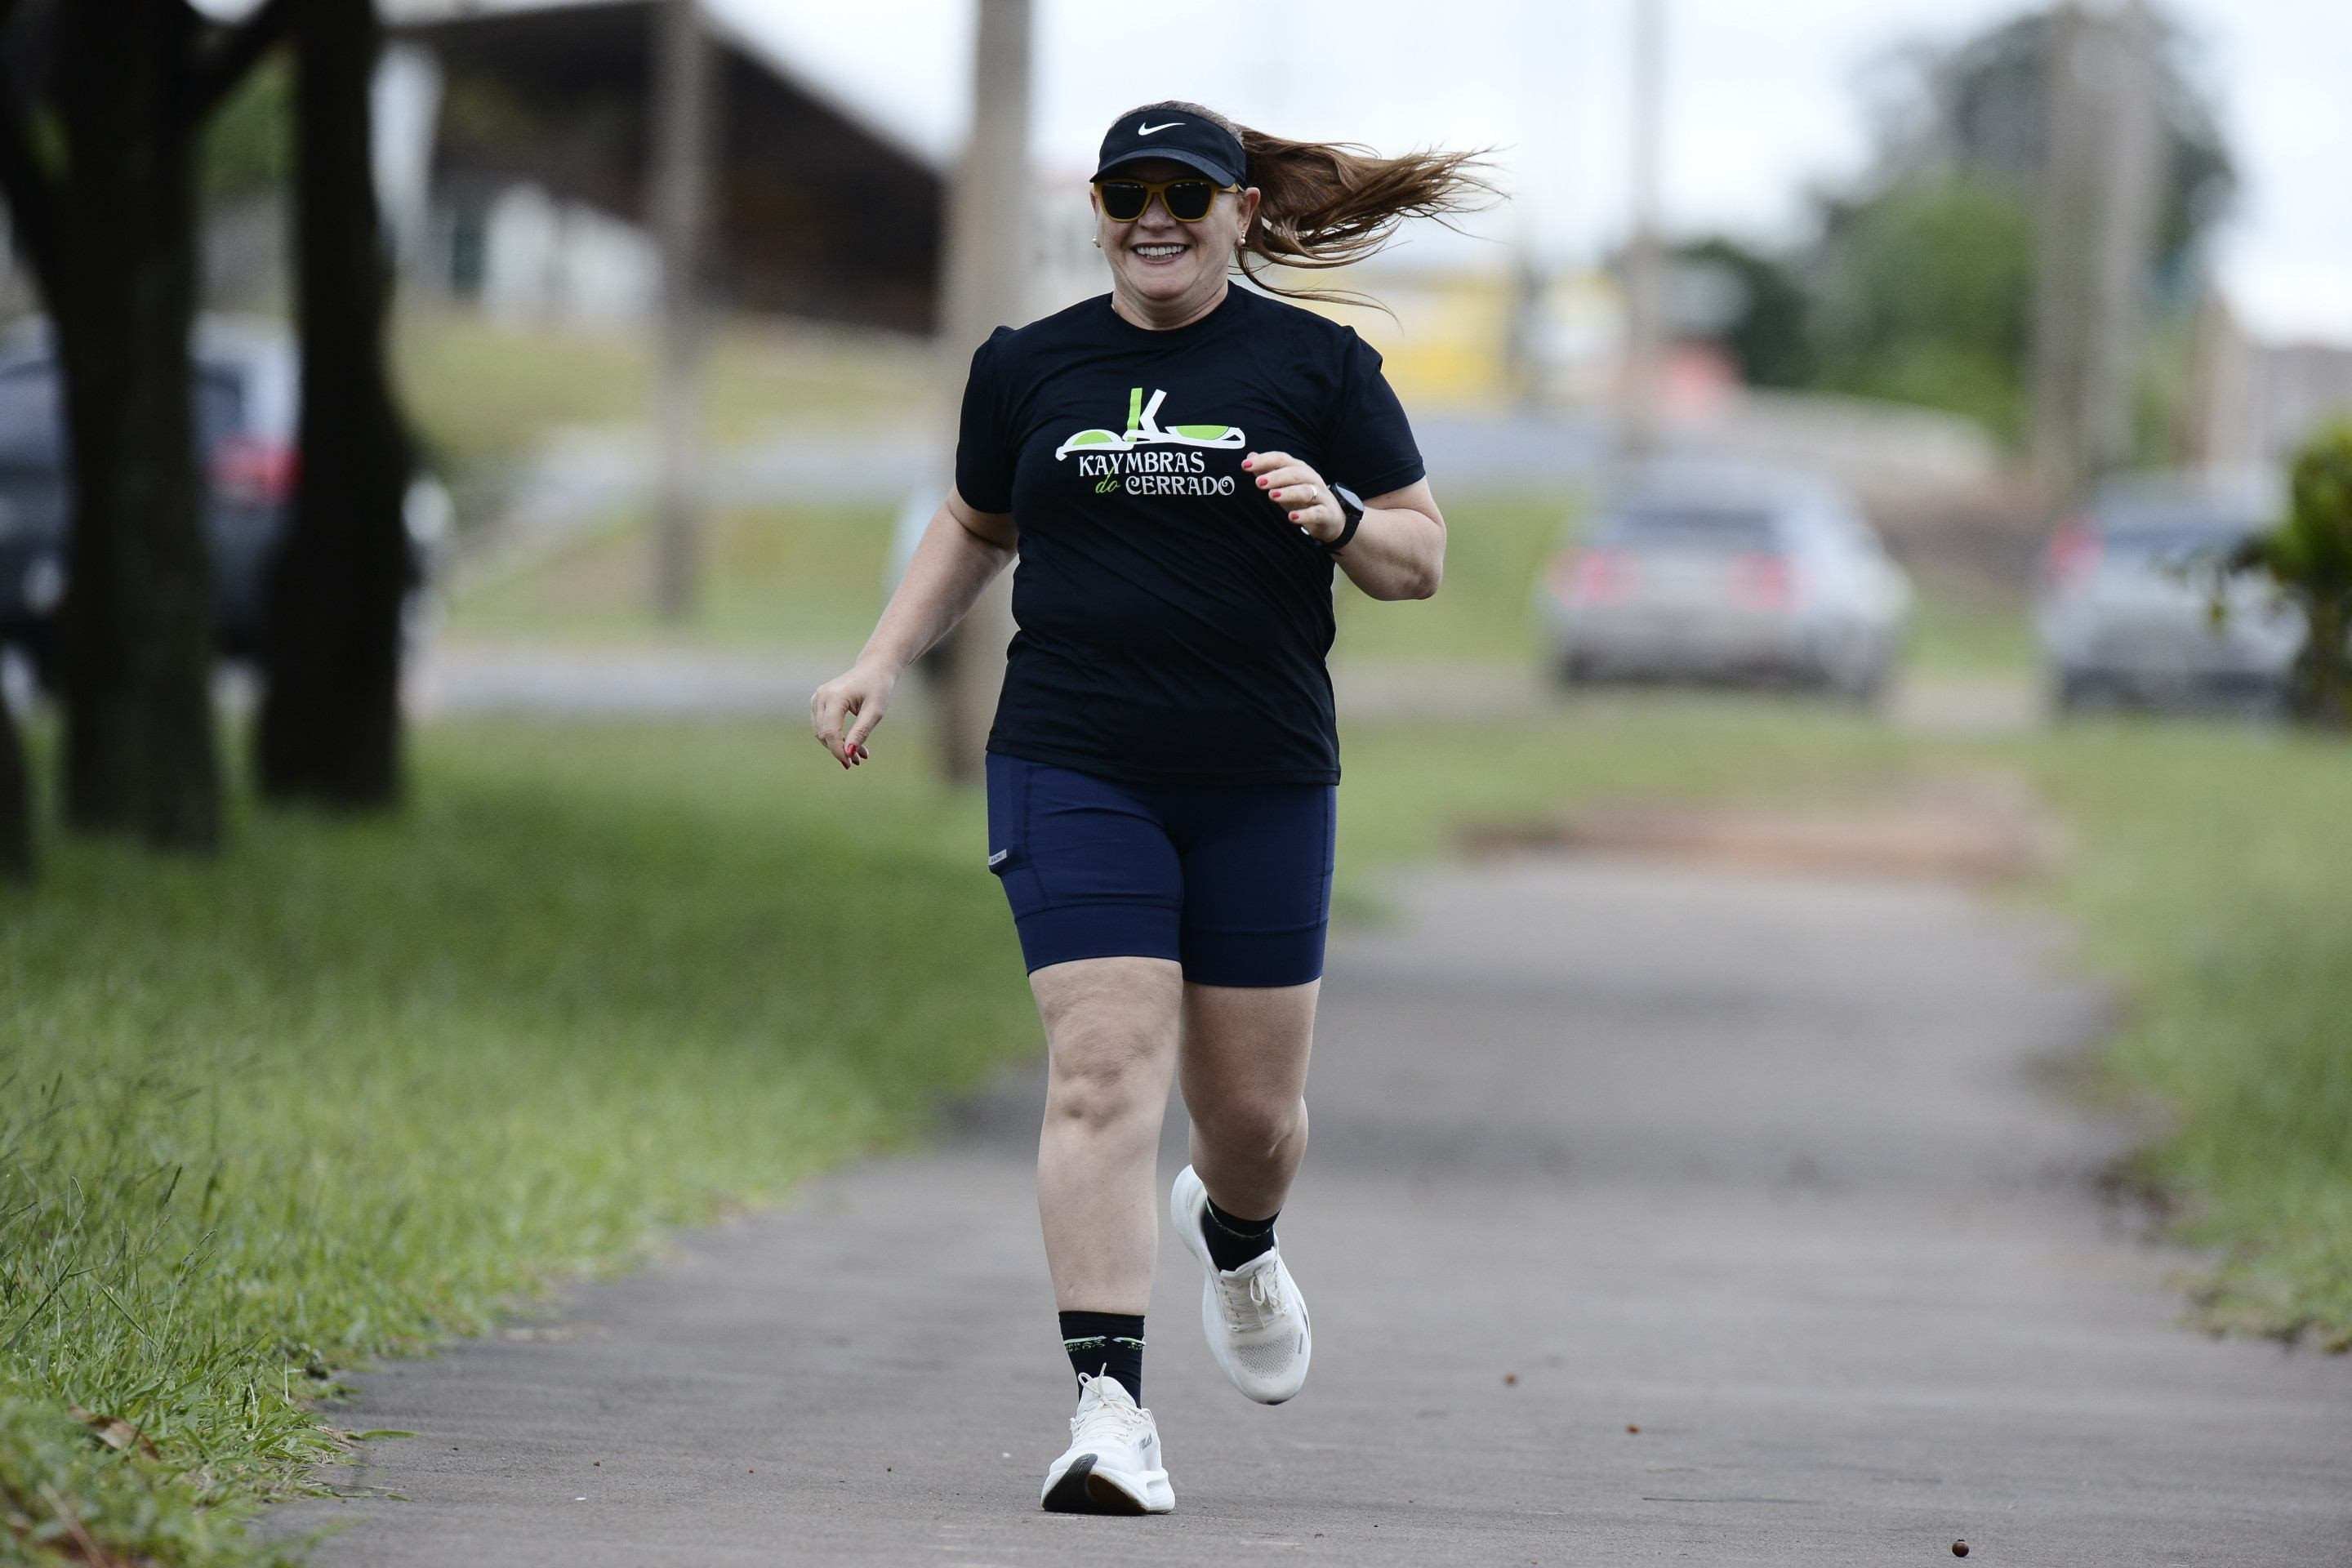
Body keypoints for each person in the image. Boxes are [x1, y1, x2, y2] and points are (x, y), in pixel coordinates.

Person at [809, 100, 1492, 1516]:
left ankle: (1235, 1235)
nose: (1155, 218)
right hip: (1073, 762)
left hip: (1261, 776)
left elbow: (1422, 556)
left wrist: (1342, 517)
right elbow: (976, 523)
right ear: (1102, 215)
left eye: (1186, 192)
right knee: (1102, 1068)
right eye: (1129, 194)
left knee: (1251, 1118)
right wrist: (882, 657)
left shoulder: (1319, 368)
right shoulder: (1029, 366)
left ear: (1243, 212)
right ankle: (1109, 1412)